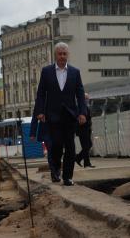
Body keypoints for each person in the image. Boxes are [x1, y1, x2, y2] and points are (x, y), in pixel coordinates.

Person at [33, 42, 87, 186]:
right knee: (56, 145)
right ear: (55, 55)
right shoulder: (46, 71)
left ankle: (67, 177)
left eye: (65, 54)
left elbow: (80, 94)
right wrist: (40, 111)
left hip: (70, 116)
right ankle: (55, 169)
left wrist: (82, 112)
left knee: (70, 147)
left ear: (67, 55)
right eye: (60, 54)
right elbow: (41, 94)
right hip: (53, 115)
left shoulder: (75, 72)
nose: (62, 56)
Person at [75, 93, 95, 168]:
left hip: (86, 129)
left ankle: (86, 163)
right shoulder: (80, 107)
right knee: (88, 145)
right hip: (82, 130)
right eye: (86, 99)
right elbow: (80, 120)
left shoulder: (85, 107)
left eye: (88, 99)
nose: (87, 100)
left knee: (86, 146)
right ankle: (78, 158)